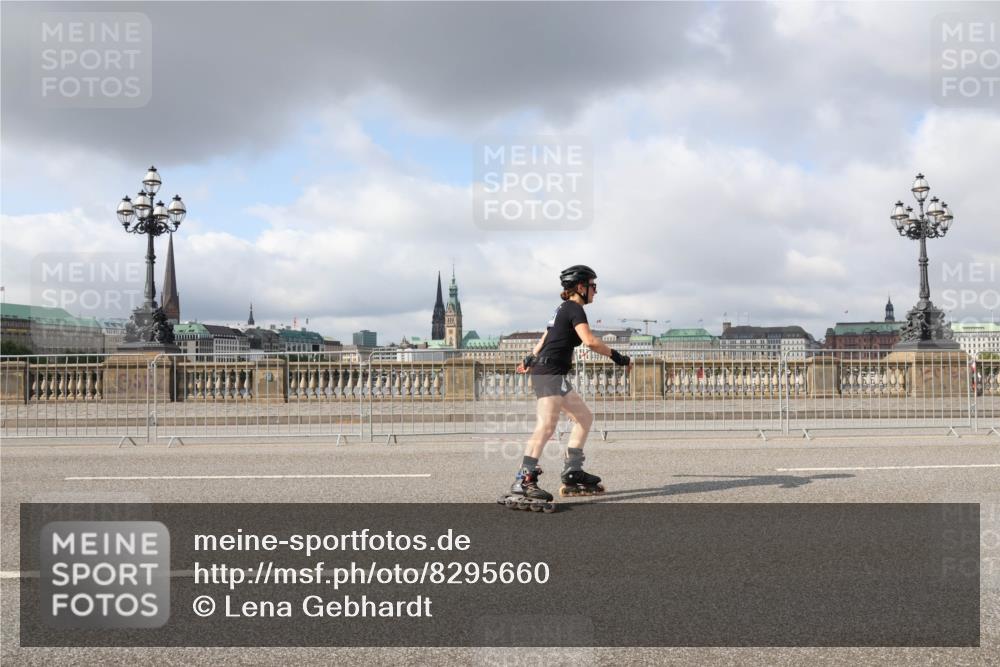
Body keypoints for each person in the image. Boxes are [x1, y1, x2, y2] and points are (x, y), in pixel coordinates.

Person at [508, 265, 633, 506]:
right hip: (550, 373)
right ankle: (524, 479)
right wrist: (619, 357)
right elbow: (590, 341)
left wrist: (529, 358)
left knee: (584, 418)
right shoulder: (574, 308)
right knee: (546, 426)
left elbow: (546, 337)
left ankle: (573, 471)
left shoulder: (562, 309)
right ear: (580, 287)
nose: (596, 291)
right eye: (593, 286)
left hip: (552, 372)